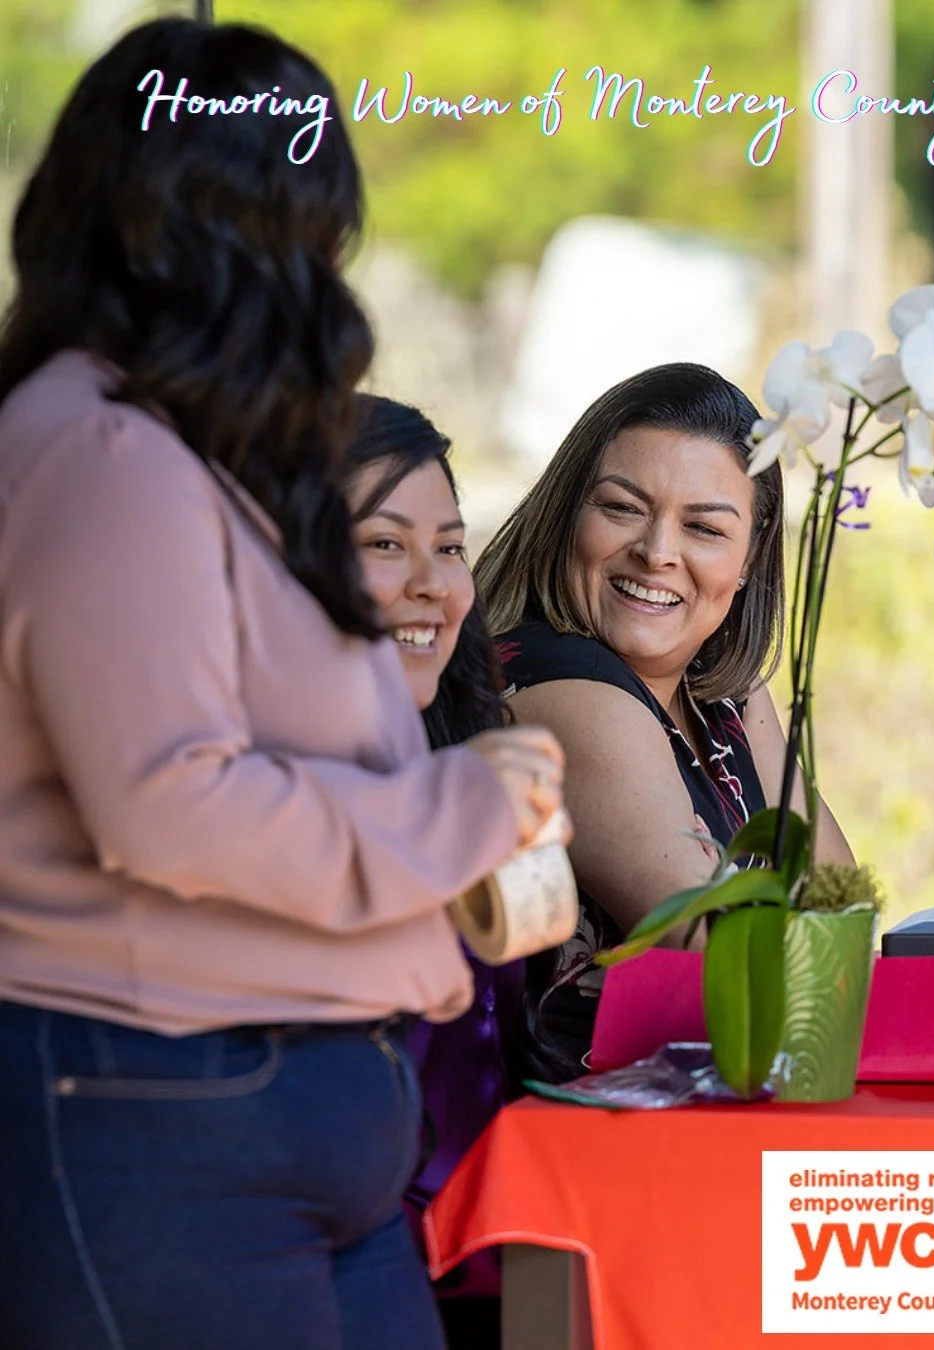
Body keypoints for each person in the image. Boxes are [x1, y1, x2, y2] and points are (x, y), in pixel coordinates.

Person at [0, 19, 566, 1350]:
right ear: (215, 233)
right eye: (309, 229)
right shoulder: (98, 452)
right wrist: (454, 811)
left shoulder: (211, 456)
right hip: (163, 1107)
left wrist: (465, 861)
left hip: (300, 1122)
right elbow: (172, 802)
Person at [474, 362, 854, 1084]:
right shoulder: (566, 688)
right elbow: (721, 955)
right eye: (622, 509)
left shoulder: (726, 696)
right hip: (575, 1144)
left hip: (713, 1109)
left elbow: (842, 918)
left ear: (748, 559)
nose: (658, 551)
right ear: (567, 516)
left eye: (704, 527)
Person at [345, 393, 515, 1350]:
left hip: (497, 1257)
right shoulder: (265, 798)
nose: (431, 584)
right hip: (356, 1268)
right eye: (383, 544)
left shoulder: (471, 746)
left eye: (449, 548)